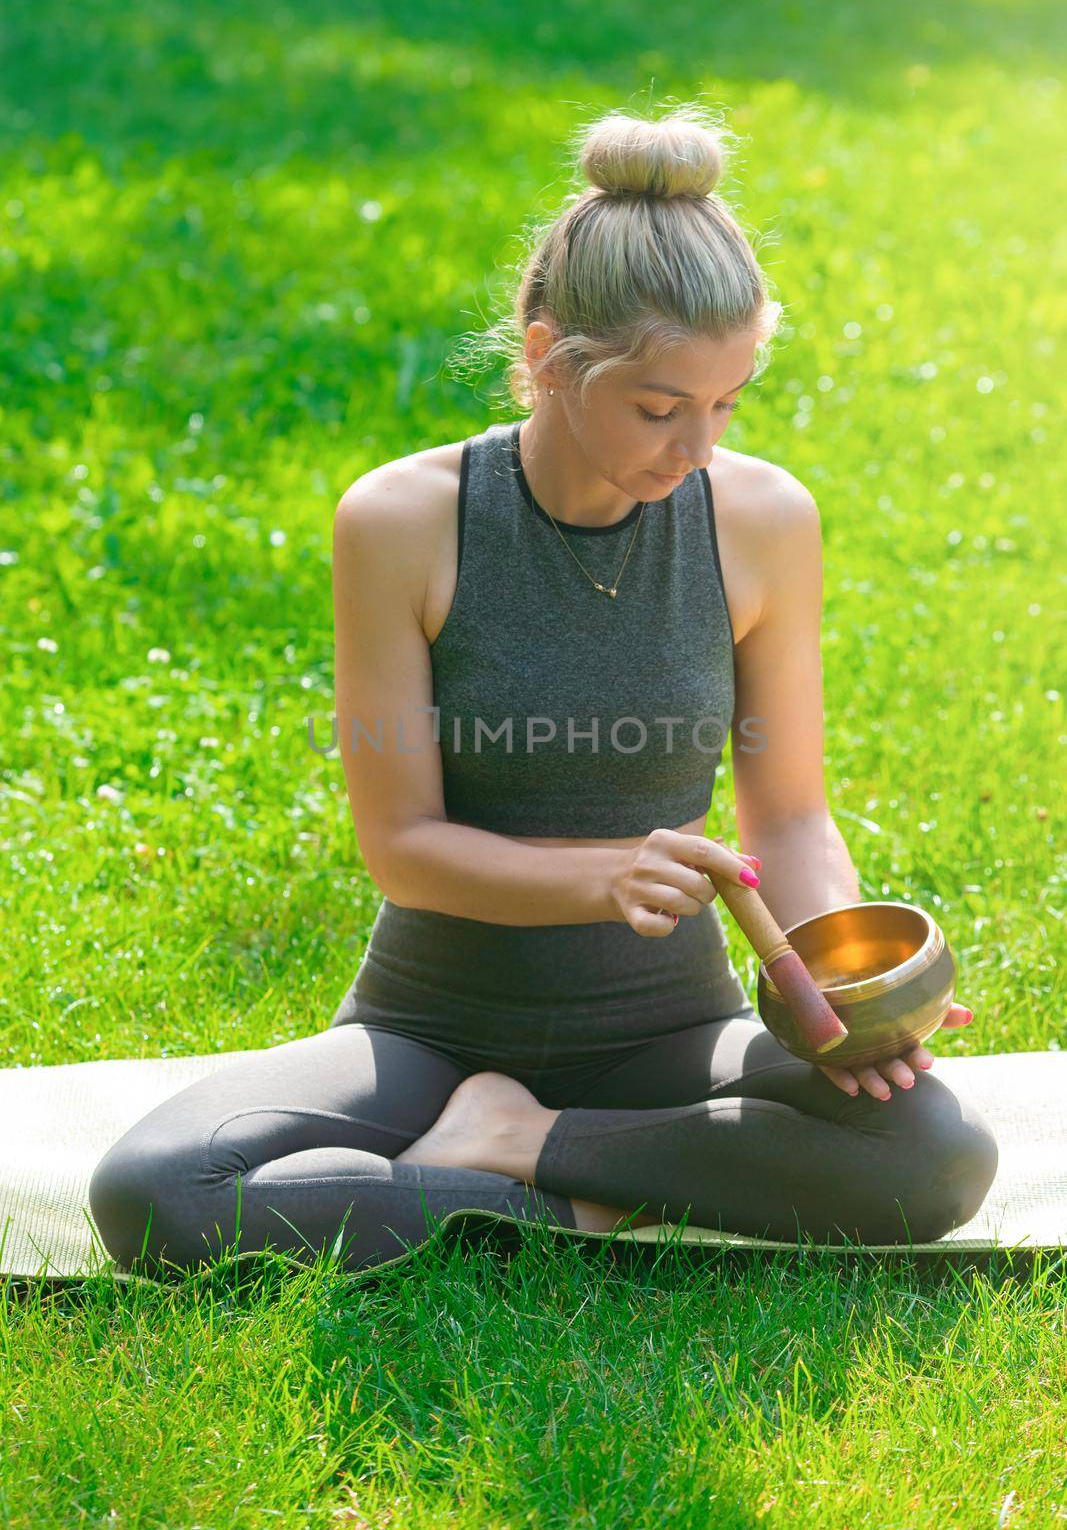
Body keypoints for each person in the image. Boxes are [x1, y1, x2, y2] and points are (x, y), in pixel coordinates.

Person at [88, 105, 998, 1279]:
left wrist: (839, 993)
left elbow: (787, 815)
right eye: (658, 408)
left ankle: (516, 1149)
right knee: (157, 1194)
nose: (694, 449)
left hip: (673, 1030)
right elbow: (403, 846)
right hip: (427, 1028)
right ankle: (578, 1180)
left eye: (724, 405)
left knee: (934, 1152)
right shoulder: (403, 521)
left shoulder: (761, 518)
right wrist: (600, 875)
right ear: (545, 356)